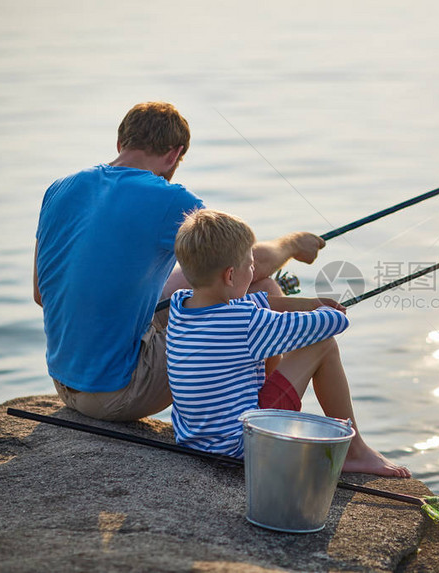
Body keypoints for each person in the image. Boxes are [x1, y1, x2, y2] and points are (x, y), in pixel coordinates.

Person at [34, 101, 325, 422]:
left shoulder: (59, 189)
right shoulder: (171, 198)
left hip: (63, 383)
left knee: (236, 285)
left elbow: (40, 294)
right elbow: (249, 262)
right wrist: (295, 243)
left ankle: (257, 413)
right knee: (262, 289)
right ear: (174, 155)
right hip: (116, 393)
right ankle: (259, 422)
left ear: (120, 144)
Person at [167, 209, 409, 477]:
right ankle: (354, 450)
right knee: (324, 345)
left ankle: (280, 411)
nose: (253, 271)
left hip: (195, 440)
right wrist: (325, 311)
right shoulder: (247, 323)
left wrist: (308, 304)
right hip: (243, 448)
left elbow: (254, 302)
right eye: (250, 265)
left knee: (271, 326)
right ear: (230, 276)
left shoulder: (181, 304)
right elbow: (333, 324)